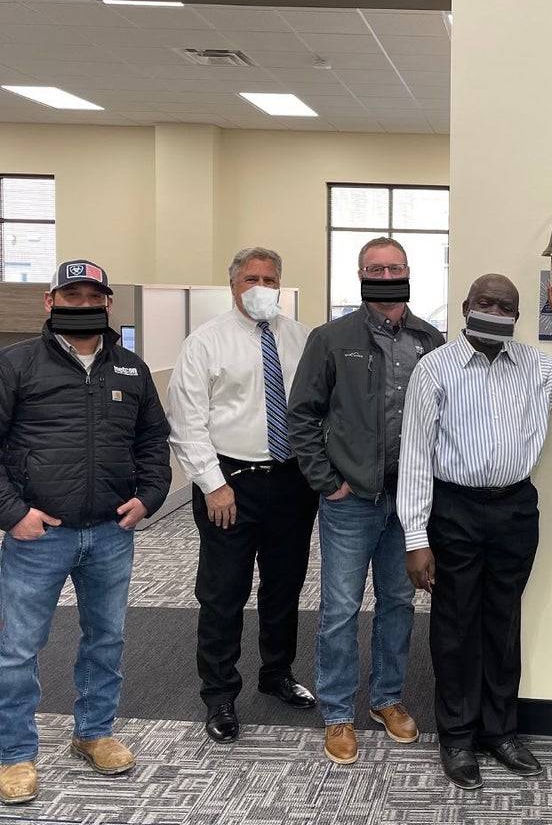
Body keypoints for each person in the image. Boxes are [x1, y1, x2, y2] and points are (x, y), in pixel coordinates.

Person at [399, 273, 552, 790]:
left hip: (515, 509)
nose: (495, 310)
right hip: (455, 510)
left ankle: (500, 731)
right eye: (485, 301)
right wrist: (416, 538)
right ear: (467, 306)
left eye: (506, 305)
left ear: (516, 315)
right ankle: (458, 738)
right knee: (455, 625)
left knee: (502, 620)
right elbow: (416, 457)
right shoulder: (435, 369)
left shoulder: (535, 366)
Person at [0, 260, 171, 805]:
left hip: (110, 534)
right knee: (17, 648)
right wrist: (12, 513)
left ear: (108, 304)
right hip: (37, 535)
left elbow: (153, 442)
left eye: (91, 296)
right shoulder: (16, 365)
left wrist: (148, 497)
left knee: (106, 639)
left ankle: (94, 732)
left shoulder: (131, 369)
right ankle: (14, 753)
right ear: (49, 303)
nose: (81, 304)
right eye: (69, 296)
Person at [287, 237, 444, 765]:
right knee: (339, 609)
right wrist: (328, 482)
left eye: (394, 267)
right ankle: (336, 713)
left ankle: (386, 699)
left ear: (407, 273)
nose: (385, 275)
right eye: (375, 268)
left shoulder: (431, 339)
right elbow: (302, 415)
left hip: (410, 501)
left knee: (399, 603)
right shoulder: (331, 339)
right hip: (350, 500)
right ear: (360, 275)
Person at [168, 247, 318, 744]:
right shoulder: (205, 342)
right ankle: (219, 694)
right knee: (223, 592)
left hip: (291, 483)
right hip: (229, 484)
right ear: (233, 284)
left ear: (280, 284)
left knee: (284, 586)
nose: (260, 286)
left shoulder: (299, 338)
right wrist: (213, 485)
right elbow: (188, 422)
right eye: (250, 278)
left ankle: (276, 673)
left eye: (269, 278)